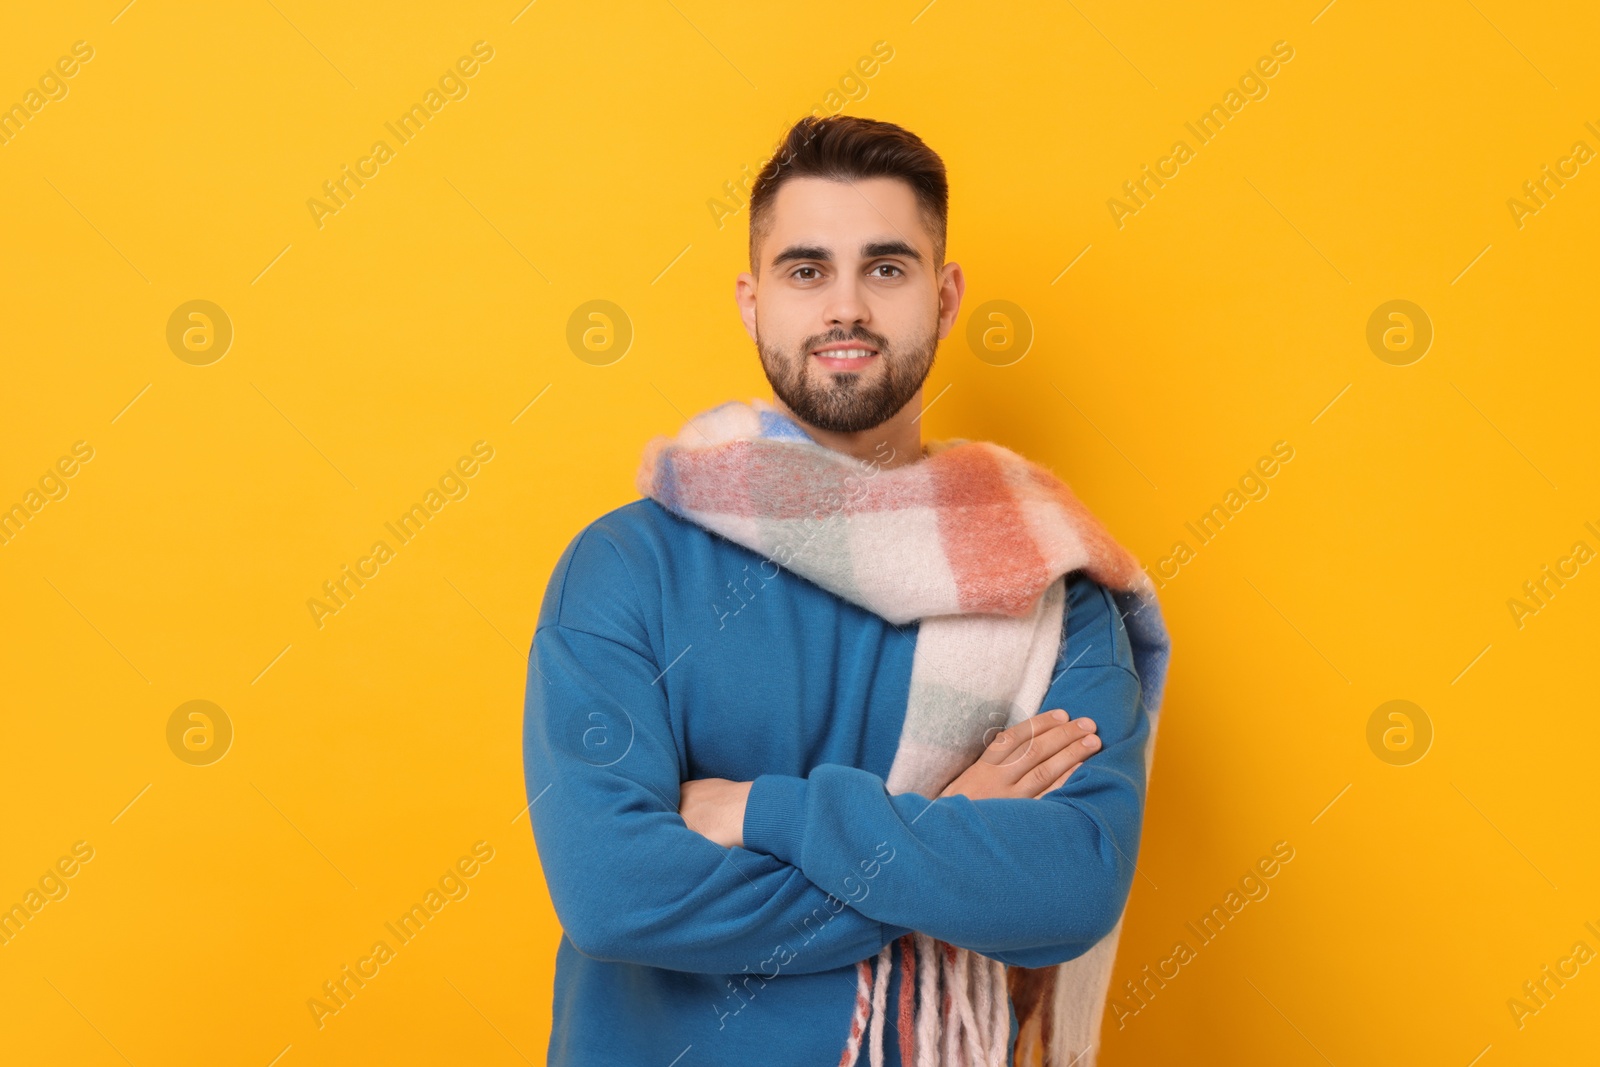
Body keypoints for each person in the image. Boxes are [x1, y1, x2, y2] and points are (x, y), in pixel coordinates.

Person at [522, 114, 1169, 1066]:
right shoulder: (625, 567)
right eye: (807, 270)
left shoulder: (1048, 582)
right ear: (752, 301)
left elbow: (1070, 888)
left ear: (945, 298)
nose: (848, 309)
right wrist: (949, 840)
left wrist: (759, 813)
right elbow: (616, 892)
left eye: (888, 268)